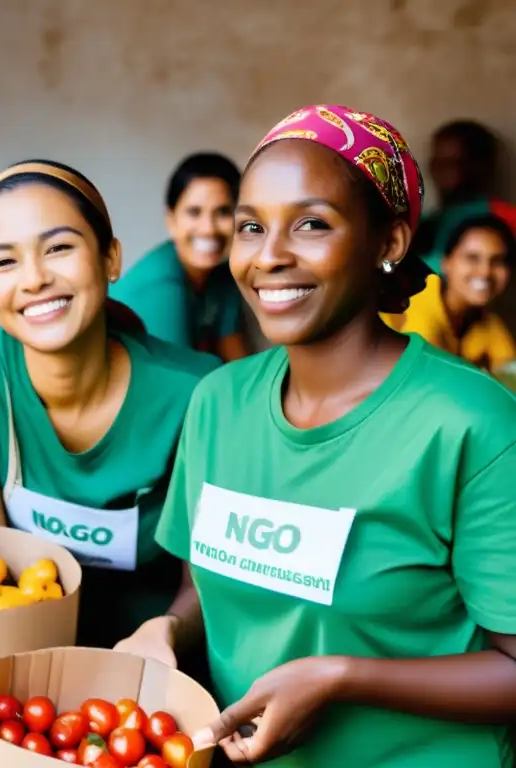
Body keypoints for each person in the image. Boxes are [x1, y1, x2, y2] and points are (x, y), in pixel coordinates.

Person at [117, 105, 516, 767]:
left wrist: (340, 678)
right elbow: (200, 587)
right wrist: (165, 629)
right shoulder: (219, 402)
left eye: (311, 224)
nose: (270, 255)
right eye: (251, 226)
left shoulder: (470, 422)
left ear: (388, 241)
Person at [0, 160, 220, 648]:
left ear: (111, 258)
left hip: (158, 677)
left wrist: (166, 634)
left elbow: (209, 586)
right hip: (19, 667)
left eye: (59, 248)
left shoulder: (199, 395)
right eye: (4, 262)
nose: (34, 278)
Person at [110, 153, 248, 361]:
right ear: (171, 219)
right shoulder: (162, 286)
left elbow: (236, 355)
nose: (208, 229)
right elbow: (181, 380)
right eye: (194, 212)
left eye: (223, 212)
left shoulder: (224, 272)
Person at [384, 213, 516, 373]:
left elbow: (510, 374)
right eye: (472, 258)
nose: (485, 272)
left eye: (497, 260)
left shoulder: (486, 322)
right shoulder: (416, 308)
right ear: (446, 262)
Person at [411, 119, 513, 272]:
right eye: (437, 162)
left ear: (480, 166)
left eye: (453, 163)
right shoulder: (424, 223)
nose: (441, 171)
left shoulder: (505, 217)